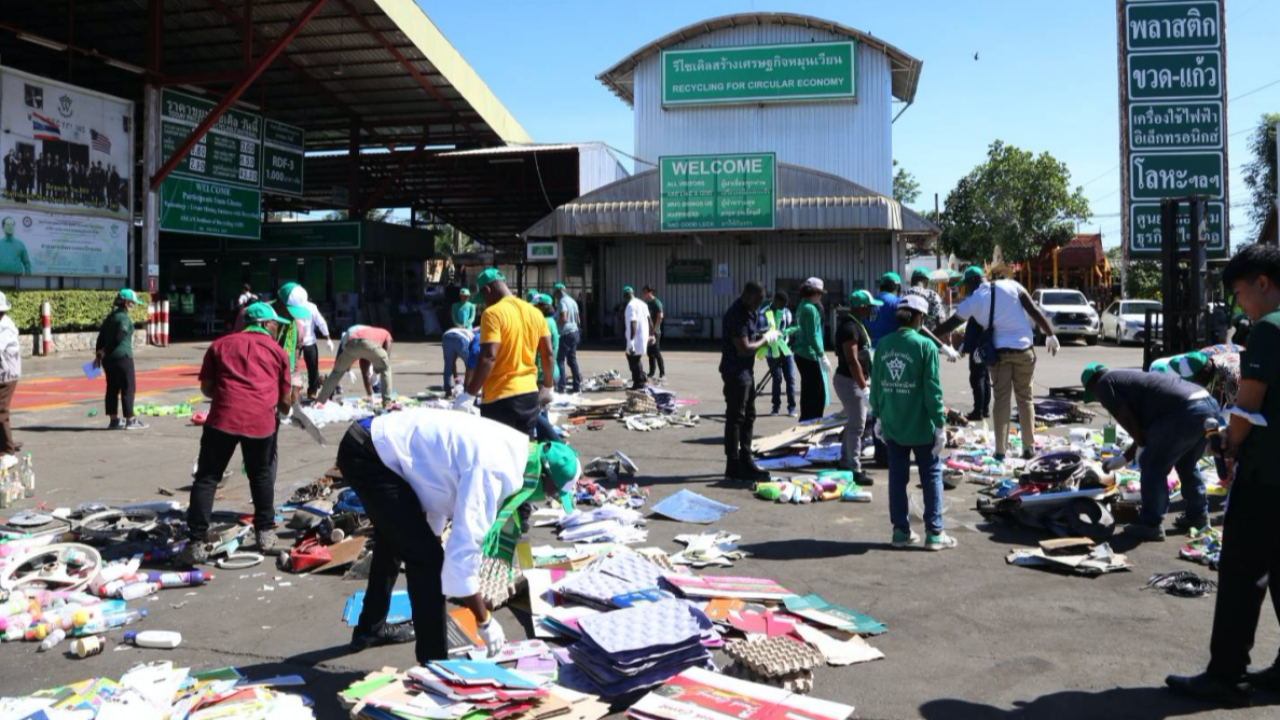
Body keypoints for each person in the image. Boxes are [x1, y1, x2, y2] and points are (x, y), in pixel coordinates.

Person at [337, 410, 580, 662]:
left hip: (374, 444)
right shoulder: (494, 472)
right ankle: (435, 667)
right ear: (543, 477)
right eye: (552, 493)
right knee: (429, 562)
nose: (547, 499)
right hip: (369, 455)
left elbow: (437, 489)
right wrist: (484, 619)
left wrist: (426, 536)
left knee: (397, 541)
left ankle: (369, 629)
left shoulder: (516, 451)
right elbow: (460, 558)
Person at [1166, 244, 1280, 707]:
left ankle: (1225, 676)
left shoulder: (1268, 331)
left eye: (1239, 292)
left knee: (1240, 574)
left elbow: (1248, 407)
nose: (1239, 305)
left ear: (1263, 283)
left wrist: (1227, 443)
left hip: (1267, 475)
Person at [180, 302, 292, 565]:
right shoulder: (278, 352)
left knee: (207, 478)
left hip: (223, 419)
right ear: (265, 324)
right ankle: (264, 532)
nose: (277, 330)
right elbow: (285, 401)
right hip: (260, 422)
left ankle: (195, 543)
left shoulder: (219, 345)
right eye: (276, 325)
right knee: (261, 475)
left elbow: (207, 389)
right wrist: (279, 407)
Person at [1081, 363, 1217, 540]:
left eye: (1094, 397)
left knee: (1153, 466)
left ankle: (1150, 523)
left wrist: (1142, 448)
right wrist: (1124, 458)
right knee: (1186, 463)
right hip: (1207, 405)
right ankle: (1198, 517)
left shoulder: (1104, 384)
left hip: (1185, 411)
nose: (1098, 400)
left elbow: (1127, 420)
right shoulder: (1131, 382)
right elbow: (1142, 429)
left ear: (1092, 385)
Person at [935, 266, 1058, 461]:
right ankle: (1028, 448)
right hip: (1024, 351)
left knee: (1001, 401)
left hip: (998, 355)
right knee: (1025, 399)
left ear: (971, 282)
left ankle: (1000, 451)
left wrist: (929, 335)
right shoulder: (1012, 285)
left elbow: (950, 324)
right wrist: (1050, 334)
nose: (964, 290)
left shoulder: (973, 300)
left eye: (965, 286)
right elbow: (1033, 310)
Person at [870, 294, 955, 551]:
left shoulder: (883, 344)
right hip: (921, 426)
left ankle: (900, 532)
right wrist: (940, 423)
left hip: (893, 423)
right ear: (919, 318)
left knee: (897, 477)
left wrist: (878, 416)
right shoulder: (925, 346)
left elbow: (876, 386)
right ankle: (934, 533)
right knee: (931, 475)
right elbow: (932, 389)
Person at [457, 268, 554, 436]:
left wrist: (469, 395)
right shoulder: (535, 313)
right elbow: (548, 354)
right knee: (526, 454)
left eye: (484, 297)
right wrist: (548, 386)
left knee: (498, 457)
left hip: (500, 399)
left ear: (488, 290)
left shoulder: (492, 314)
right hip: (529, 396)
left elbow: (488, 356)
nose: (485, 303)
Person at [721, 281, 779, 482]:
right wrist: (766, 340)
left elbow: (750, 337)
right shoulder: (736, 314)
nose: (758, 304)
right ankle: (733, 463)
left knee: (749, 416)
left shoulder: (749, 312)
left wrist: (767, 336)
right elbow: (744, 348)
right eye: (757, 300)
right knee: (736, 417)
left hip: (746, 371)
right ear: (746, 294)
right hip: (735, 372)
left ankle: (746, 458)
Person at [833, 290, 881, 485]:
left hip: (853, 380)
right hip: (849, 381)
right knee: (857, 426)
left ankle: (845, 462)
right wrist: (864, 387)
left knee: (853, 423)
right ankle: (854, 468)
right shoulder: (850, 328)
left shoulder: (854, 324)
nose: (871, 310)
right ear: (861, 307)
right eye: (869, 306)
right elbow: (852, 361)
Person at [94, 289, 146, 431]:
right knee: (128, 387)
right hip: (122, 357)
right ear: (127, 303)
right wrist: (107, 350)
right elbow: (120, 337)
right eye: (132, 302)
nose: (133, 305)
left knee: (112, 388)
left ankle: (114, 420)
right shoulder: (123, 318)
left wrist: (100, 354)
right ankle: (130, 419)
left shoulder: (110, 317)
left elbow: (100, 337)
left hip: (108, 360)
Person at [317, 324, 394, 405]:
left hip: (351, 343)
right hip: (364, 342)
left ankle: (319, 402)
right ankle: (387, 402)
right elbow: (386, 357)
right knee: (386, 367)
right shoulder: (386, 334)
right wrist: (377, 371)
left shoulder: (368, 332)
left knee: (336, 372)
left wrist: (370, 395)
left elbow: (365, 371)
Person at [282, 283, 333, 401]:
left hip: (309, 341)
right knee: (290, 367)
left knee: (313, 368)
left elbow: (321, 322)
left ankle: (312, 391)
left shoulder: (311, 307)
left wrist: (328, 338)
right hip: (294, 342)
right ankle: (289, 392)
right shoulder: (288, 307)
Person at [791, 278, 829, 422]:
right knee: (818, 394)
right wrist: (822, 355)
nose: (820, 297)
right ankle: (813, 421)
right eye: (819, 294)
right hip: (809, 355)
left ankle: (805, 419)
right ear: (813, 292)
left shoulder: (801, 305)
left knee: (807, 391)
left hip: (800, 353)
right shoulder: (811, 309)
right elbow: (812, 336)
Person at [761, 292, 796, 417]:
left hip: (786, 351)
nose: (783, 307)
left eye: (785, 305)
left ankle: (792, 407)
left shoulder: (787, 312)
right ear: (776, 300)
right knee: (777, 378)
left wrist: (789, 342)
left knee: (790, 378)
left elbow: (791, 329)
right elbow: (760, 330)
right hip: (771, 352)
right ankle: (775, 406)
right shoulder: (765, 312)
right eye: (782, 304)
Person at [534, 294, 562, 441]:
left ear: (542, 307)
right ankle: (545, 440)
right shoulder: (552, 321)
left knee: (535, 412)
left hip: (543, 373)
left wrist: (540, 375)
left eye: (536, 306)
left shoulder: (543, 322)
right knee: (543, 410)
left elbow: (544, 353)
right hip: (552, 370)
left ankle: (554, 440)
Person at [0, 292, 20, 456]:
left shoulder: (6, 326)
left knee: (1, 411)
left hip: (7, 374)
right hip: (3, 372)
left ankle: (7, 449)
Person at [553, 282, 582, 394]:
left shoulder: (562, 302)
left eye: (555, 293)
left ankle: (561, 386)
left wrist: (555, 324)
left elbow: (563, 317)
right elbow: (578, 318)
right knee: (572, 360)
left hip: (565, 334)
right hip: (575, 332)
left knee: (560, 359)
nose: (554, 296)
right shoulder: (573, 301)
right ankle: (577, 386)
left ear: (558, 291)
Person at [961, 318, 992, 421]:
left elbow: (976, 329)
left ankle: (978, 411)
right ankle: (984, 409)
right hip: (985, 345)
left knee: (977, 379)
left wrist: (967, 346)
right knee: (985, 378)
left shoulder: (979, 307)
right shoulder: (988, 304)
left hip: (978, 345)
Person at [622, 286, 651, 391]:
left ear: (625, 296)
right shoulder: (643, 304)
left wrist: (631, 341)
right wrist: (651, 334)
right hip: (643, 336)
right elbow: (649, 320)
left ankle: (638, 382)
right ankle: (641, 379)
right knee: (636, 358)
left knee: (633, 360)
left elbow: (633, 323)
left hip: (635, 337)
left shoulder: (630, 306)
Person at [867, 272, 902, 349]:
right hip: (892, 349)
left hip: (873, 349)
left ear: (881, 287)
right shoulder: (898, 302)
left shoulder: (870, 303)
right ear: (897, 287)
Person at [442, 325, 474, 397]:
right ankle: (468, 390)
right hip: (461, 339)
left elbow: (452, 362)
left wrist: (456, 377)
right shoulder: (473, 336)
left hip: (446, 337)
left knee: (448, 365)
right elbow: (471, 362)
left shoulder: (463, 331)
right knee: (470, 365)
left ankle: (448, 391)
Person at [642, 285, 666, 380]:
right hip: (648, 332)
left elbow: (660, 316)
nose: (643, 294)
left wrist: (654, 329)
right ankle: (652, 372)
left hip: (655, 332)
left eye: (645, 292)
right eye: (643, 292)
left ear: (650, 292)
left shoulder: (656, 303)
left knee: (656, 352)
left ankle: (662, 373)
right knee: (650, 353)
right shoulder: (648, 303)